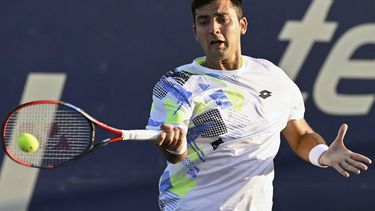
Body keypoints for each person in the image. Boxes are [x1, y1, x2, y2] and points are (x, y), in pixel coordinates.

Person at [146, 0, 372, 210]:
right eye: (204, 21)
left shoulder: (272, 76)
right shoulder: (177, 85)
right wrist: (173, 147)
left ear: (242, 25)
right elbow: (176, 154)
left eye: (222, 19)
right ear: (196, 32)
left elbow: (300, 134)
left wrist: (323, 154)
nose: (214, 28)